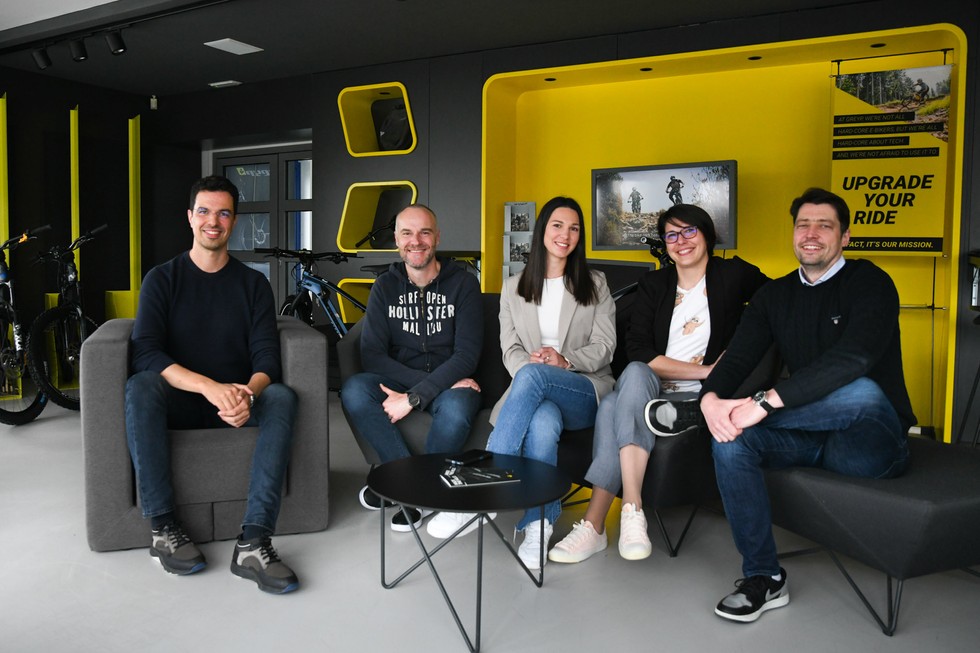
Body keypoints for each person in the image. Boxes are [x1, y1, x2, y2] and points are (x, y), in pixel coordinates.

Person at [647, 187, 915, 623]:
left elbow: (855, 359)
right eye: (803, 224)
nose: (811, 234)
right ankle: (764, 578)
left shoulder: (870, 282)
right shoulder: (777, 296)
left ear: (844, 237)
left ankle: (704, 416)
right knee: (731, 444)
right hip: (809, 436)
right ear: (793, 233)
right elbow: (737, 359)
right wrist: (713, 396)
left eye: (824, 225)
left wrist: (761, 404)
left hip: (868, 443)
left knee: (861, 390)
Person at [548, 204, 768, 564]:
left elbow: (778, 300)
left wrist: (740, 349)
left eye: (689, 232)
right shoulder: (655, 284)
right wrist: (705, 369)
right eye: (671, 235)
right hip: (654, 385)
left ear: (707, 235)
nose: (681, 241)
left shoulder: (733, 274)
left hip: (700, 397)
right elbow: (639, 351)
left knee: (611, 406)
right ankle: (633, 509)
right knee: (634, 373)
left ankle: (594, 525)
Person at [126, 175, 299, 594]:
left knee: (281, 396)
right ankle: (164, 528)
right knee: (141, 386)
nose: (213, 221)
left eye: (223, 213)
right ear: (190, 218)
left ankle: (254, 542)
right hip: (182, 402)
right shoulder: (162, 279)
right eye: (204, 211)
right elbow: (146, 352)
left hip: (236, 403)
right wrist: (209, 387)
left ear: (234, 221)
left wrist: (248, 393)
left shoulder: (253, 284)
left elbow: (266, 360)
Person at [427, 196, 616, 568]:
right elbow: (510, 347)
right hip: (534, 391)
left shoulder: (595, 284)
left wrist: (564, 361)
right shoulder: (514, 288)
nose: (566, 235)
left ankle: (480, 492)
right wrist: (528, 367)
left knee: (535, 381)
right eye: (557, 226)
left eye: (574, 228)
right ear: (541, 231)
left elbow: (606, 347)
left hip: (583, 389)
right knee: (543, 424)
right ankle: (539, 524)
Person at [341, 204, 484, 532]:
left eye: (424, 232)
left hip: (451, 381)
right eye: (407, 233)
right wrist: (419, 391)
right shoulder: (384, 287)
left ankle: (401, 490)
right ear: (396, 240)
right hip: (408, 378)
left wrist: (416, 395)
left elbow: (466, 356)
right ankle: (410, 484)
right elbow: (373, 356)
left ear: (437, 237)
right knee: (354, 389)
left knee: (459, 406)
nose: (415, 241)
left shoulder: (463, 284)